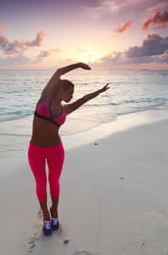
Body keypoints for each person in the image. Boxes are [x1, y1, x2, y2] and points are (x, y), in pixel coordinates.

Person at [27, 62, 110, 236]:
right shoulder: (44, 99)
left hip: (56, 150)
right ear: (61, 90)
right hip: (36, 151)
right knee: (41, 184)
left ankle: (55, 211)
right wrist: (79, 64)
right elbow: (58, 71)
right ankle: (46, 216)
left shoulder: (66, 109)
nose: (72, 96)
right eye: (70, 92)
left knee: (54, 183)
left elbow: (84, 99)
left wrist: (100, 92)